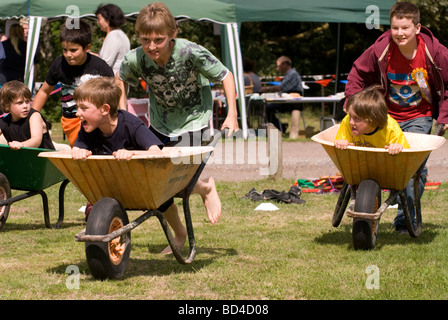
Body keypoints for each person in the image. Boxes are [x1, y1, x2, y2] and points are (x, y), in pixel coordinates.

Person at [116, 2, 239, 252]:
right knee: (156, 184)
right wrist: (122, 114)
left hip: (194, 119)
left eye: (159, 40)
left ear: (173, 33)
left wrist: (233, 114)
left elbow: (226, 75)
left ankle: (205, 188)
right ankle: (180, 234)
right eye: (145, 39)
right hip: (160, 123)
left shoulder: (191, 52)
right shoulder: (136, 58)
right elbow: (120, 78)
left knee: (178, 176)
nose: (151, 46)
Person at [344, 1, 448, 234]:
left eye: (405, 28)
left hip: (420, 117)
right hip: (385, 118)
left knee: (410, 169)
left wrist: (444, 115)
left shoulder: (435, 53)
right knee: (377, 165)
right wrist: (352, 102)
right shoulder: (380, 51)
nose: (399, 33)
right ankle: (368, 204)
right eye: (394, 28)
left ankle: (403, 221)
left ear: (417, 28)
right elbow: (357, 73)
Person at [72, 77, 188, 252]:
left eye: (83, 108)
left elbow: (156, 152)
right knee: (95, 206)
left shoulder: (130, 124)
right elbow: (78, 146)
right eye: (77, 107)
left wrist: (132, 153)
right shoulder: (88, 129)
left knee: (163, 201)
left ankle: (180, 233)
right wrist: (78, 151)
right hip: (115, 184)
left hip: (143, 181)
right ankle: (110, 243)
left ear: (104, 109)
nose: (77, 113)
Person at [32, 20, 114, 147]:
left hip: (96, 119)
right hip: (72, 120)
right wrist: (31, 116)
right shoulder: (59, 65)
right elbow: (44, 91)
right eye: (65, 50)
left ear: (87, 48)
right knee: (80, 153)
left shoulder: (101, 68)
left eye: (73, 50)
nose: (68, 55)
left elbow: (112, 96)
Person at [335, 86, 409, 155]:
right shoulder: (347, 121)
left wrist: (397, 147)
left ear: (372, 120)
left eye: (357, 119)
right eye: (350, 116)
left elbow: (407, 153)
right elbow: (340, 145)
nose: (351, 122)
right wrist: (341, 143)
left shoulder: (390, 127)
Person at [0, 80, 54, 150]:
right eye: (20, 103)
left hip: (45, 159)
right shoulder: (4, 122)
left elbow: (36, 140)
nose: (25, 106)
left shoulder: (34, 116)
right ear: (7, 105)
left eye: (27, 101)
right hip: (23, 159)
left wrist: (21, 144)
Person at [263, 56, 304, 138]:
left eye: (278, 66)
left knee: (267, 108)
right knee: (268, 108)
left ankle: (279, 127)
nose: (278, 68)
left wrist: (265, 89)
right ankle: (281, 126)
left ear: (284, 64)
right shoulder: (290, 74)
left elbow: (280, 88)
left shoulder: (292, 74)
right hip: (289, 101)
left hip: (292, 103)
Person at [95, 4, 131, 74]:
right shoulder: (120, 34)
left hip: (112, 81)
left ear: (108, 19)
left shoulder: (114, 36)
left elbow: (105, 63)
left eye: (99, 19)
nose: (98, 22)